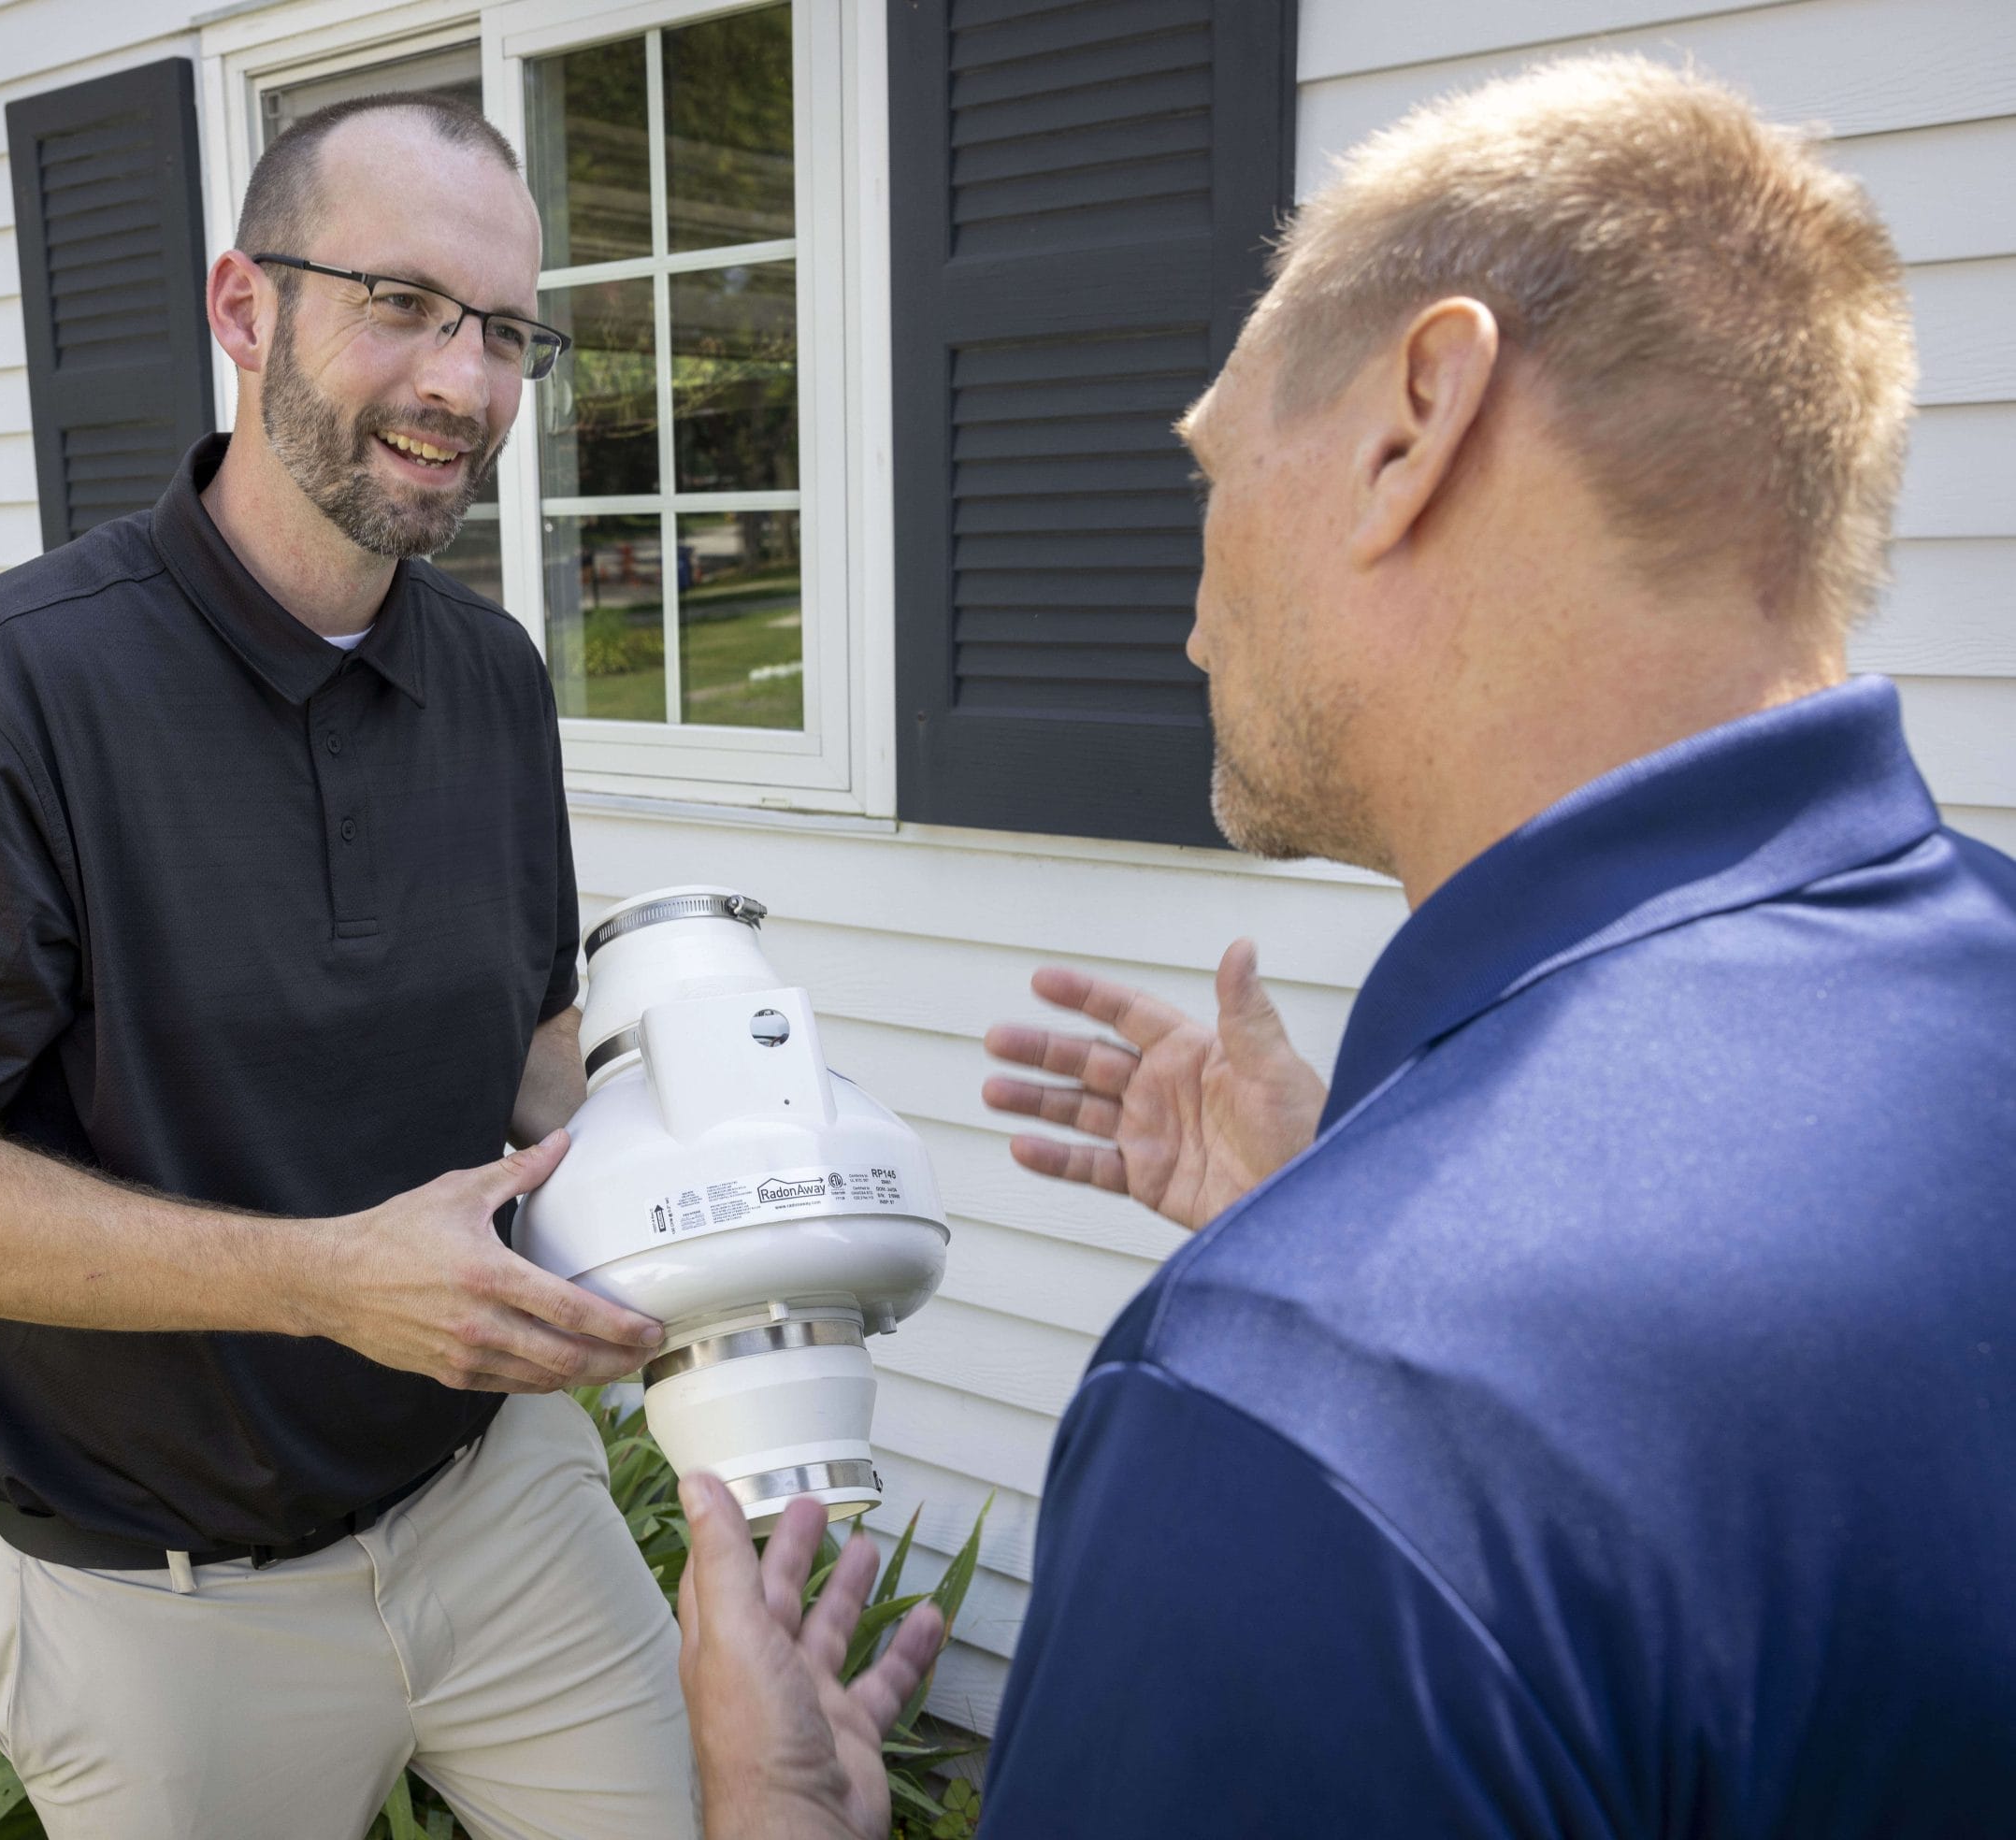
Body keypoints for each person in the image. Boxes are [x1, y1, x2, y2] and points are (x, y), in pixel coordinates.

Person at [675, 54, 2016, 1838]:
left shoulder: (1301, 1415)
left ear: (1413, 424)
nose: (1189, 625)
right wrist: (1362, 1190)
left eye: (1215, 469)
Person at [0, 93, 700, 1839]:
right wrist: (323, 1280)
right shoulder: (10, 692)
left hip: (502, 1504)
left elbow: (528, 1040)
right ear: (243, 308)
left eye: (504, 333)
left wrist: (717, 1146)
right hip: (165, 1611)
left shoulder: (493, 675)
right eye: (403, 304)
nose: (463, 382)